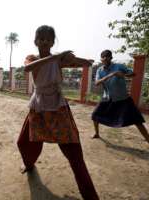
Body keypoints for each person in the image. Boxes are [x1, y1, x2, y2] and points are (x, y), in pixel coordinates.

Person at [17, 25, 99, 200]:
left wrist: (78, 59)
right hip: (38, 107)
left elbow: (84, 63)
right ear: (35, 41)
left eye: (48, 39)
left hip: (57, 108)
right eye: (41, 39)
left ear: (53, 42)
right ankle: (29, 164)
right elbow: (27, 68)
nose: (45, 42)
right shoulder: (33, 58)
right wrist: (56, 57)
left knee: (75, 155)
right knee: (23, 142)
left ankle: (91, 196)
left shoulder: (58, 60)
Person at [91, 50, 149, 156]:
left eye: (106, 58)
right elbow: (96, 83)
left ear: (110, 58)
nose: (104, 60)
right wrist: (110, 76)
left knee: (137, 121)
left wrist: (122, 74)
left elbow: (133, 74)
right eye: (102, 58)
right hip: (107, 98)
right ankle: (97, 133)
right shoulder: (100, 70)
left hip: (123, 98)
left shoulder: (119, 66)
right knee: (95, 115)